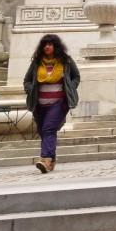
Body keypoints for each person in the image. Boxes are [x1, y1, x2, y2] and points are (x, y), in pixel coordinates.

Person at [23, 33, 81, 173]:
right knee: (44, 131)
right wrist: (31, 89)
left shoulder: (65, 61)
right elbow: (27, 80)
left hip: (58, 103)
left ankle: (45, 159)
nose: (47, 47)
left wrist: (70, 88)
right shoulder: (37, 62)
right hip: (39, 104)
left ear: (56, 46)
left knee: (48, 128)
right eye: (45, 44)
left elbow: (76, 76)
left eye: (50, 44)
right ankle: (52, 161)